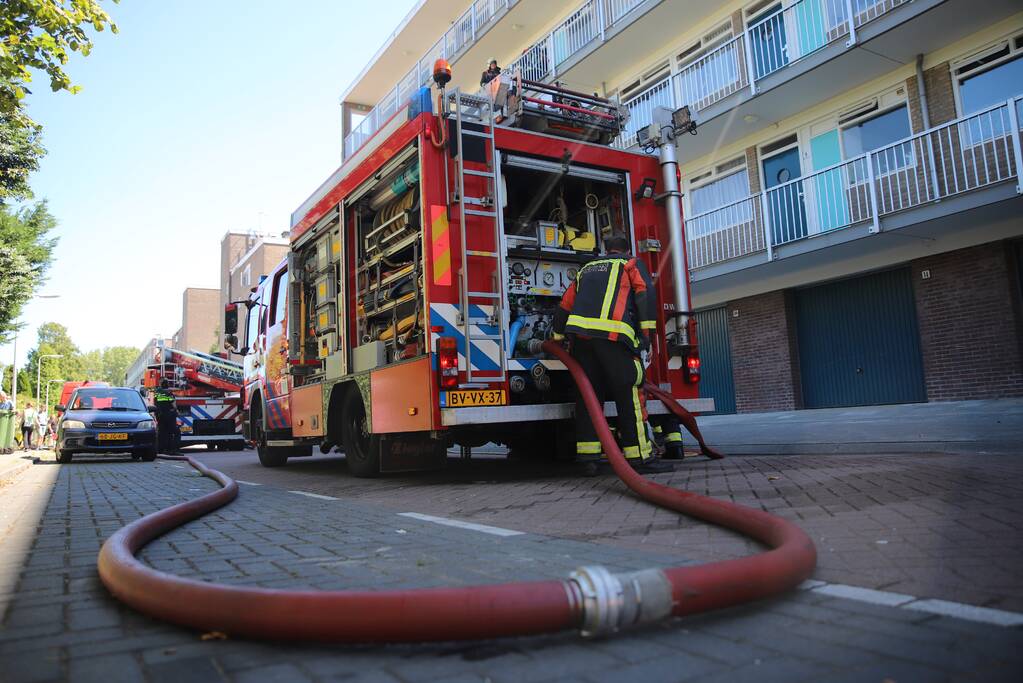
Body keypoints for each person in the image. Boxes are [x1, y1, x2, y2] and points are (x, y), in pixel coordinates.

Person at [553, 234, 672, 475]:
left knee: (589, 398)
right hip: (614, 339)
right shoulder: (630, 264)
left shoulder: (587, 268)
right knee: (628, 395)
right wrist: (646, 334)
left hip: (582, 344)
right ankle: (638, 457)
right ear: (626, 250)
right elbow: (644, 295)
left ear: (607, 250)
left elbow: (565, 305)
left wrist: (557, 338)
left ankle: (588, 459)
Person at [153, 381, 180, 454]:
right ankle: (173, 450)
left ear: (161, 385)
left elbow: (154, 402)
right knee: (175, 432)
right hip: (169, 415)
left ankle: (160, 450)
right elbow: (173, 404)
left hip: (160, 415)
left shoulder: (157, 393)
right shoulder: (169, 393)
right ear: (168, 385)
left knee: (162, 432)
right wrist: (177, 411)